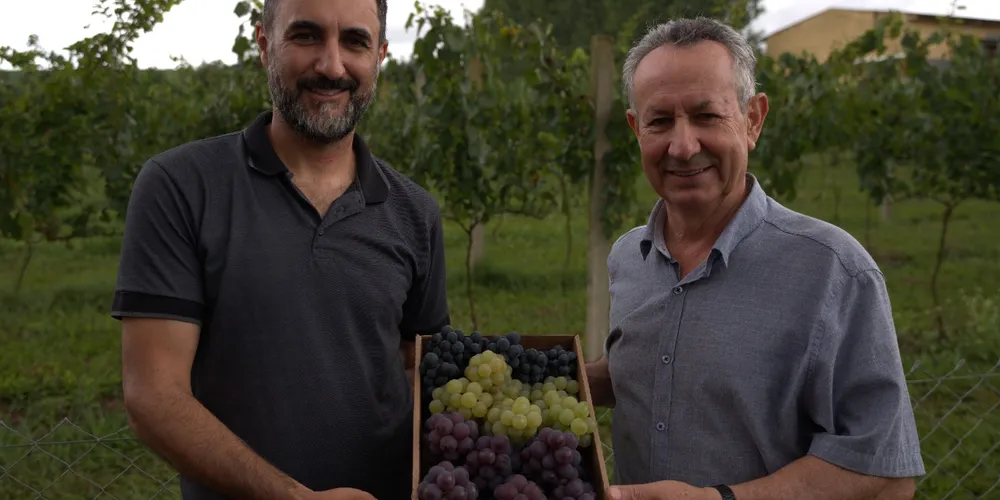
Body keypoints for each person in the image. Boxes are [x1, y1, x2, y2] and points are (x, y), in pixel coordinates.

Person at [111, 0, 450, 498]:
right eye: (306, 36)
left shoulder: (415, 212)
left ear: (379, 56)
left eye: (354, 42)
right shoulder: (181, 187)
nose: (332, 66)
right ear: (265, 46)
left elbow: (420, 366)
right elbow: (153, 396)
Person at [585, 17, 925, 500]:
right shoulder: (629, 257)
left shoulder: (833, 270)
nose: (682, 146)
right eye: (660, 121)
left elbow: (886, 475)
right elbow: (663, 372)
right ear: (635, 128)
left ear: (752, 120)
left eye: (706, 116)